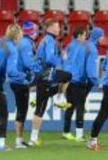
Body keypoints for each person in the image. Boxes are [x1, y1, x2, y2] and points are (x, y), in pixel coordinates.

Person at [29, 18, 72, 147]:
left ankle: (55, 98)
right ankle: (33, 138)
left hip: (45, 75)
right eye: (57, 27)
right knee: (40, 110)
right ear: (50, 28)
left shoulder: (47, 40)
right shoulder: (49, 41)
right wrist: (60, 59)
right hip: (44, 77)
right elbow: (48, 59)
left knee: (66, 77)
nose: (59, 29)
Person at [62, 27, 104, 141]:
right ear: (98, 37)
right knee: (80, 106)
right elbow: (90, 69)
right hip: (79, 80)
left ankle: (66, 131)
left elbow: (65, 60)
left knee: (70, 105)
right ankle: (79, 134)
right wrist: (97, 82)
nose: (103, 38)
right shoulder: (91, 47)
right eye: (102, 36)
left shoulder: (73, 45)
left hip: (68, 78)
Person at [9, 21, 41, 149]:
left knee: (21, 110)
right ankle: (19, 141)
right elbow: (29, 64)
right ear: (31, 32)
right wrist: (39, 66)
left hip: (16, 80)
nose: (37, 33)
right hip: (21, 81)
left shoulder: (21, 42)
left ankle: (20, 140)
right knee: (22, 111)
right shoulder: (26, 44)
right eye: (35, 30)